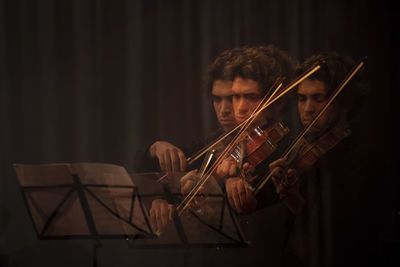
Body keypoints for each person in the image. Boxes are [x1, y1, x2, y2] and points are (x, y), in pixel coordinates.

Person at [268, 52, 379, 266]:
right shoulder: (300, 149)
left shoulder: (363, 157)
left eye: (319, 98)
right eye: (302, 99)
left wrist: (299, 204)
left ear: (344, 101)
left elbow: (347, 238)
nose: (308, 109)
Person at [147, 47, 245, 233]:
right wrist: (156, 147)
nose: (223, 110)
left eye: (231, 98)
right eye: (217, 99)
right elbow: (145, 165)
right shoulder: (213, 143)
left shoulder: (265, 144)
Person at [214, 45, 296, 214]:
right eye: (236, 96)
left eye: (251, 97)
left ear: (277, 100)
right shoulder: (228, 140)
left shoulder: (291, 148)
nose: (241, 108)